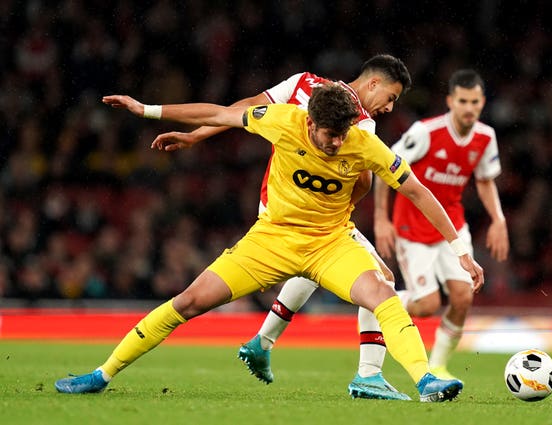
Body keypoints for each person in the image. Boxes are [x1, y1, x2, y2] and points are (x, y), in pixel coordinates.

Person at [55, 84, 484, 403]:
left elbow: (418, 192)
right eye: (329, 135)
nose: (337, 144)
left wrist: (460, 250)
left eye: (343, 135)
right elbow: (220, 113)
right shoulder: (281, 120)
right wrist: (146, 109)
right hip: (270, 241)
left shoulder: (364, 143)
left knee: (383, 296)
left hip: (330, 244)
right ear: (310, 122)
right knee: (188, 302)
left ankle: (425, 380)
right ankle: (102, 374)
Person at [152, 55, 415, 400]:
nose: (390, 107)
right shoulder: (359, 125)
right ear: (373, 84)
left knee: (310, 263)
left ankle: (263, 342)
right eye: (392, 97)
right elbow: (363, 181)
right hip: (308, 212)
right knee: (380, 279)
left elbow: (244, 109)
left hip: (273, 200)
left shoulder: (303, 82)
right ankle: (368, 374)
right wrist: (345, 210)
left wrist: (196, 136)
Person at [374, 69, 509, 381]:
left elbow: (485, 181)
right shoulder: (425, 132)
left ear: (482, 102)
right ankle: (381, 299)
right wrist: (381, 219)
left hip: (452, 226)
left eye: (474, 102)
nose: (468, 108)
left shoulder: (485, 137)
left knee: (463, 297)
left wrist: (498, 219)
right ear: (450, 101)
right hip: (412, 228)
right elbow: (385, 166)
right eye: (462, 101)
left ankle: (437, 366)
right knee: (426, 306)